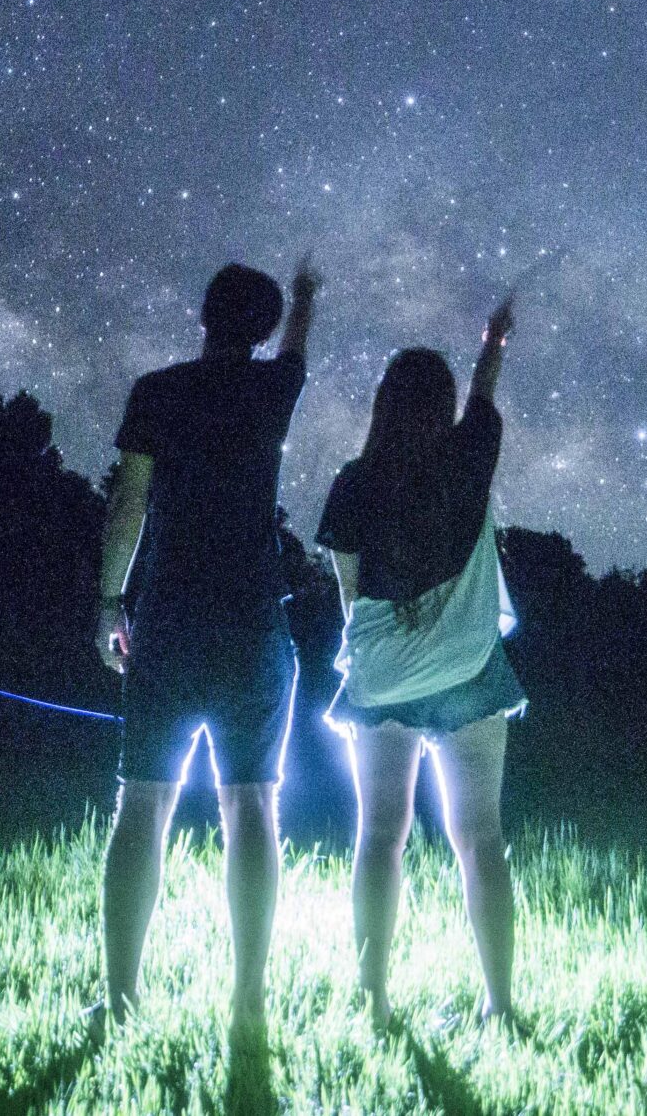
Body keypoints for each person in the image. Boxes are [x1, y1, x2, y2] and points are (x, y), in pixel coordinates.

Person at [93, 257, 320, 1037]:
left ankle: (120, 995)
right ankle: (248, 995)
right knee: (253, 806)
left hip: (168, 620)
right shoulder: (271, 391)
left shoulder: (158, 392)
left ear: (202, 315)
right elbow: (296, 351)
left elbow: (128, 501)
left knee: (142, 804)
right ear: (259, 327)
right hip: (254, 624)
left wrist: (107, 601)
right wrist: (307, 297)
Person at [318, 293, 525, 1028]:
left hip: (383, 683)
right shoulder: (471, 456)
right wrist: (493, 339)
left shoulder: (351, 483)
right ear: (441, 409)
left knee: (380, 836)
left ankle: (374, 1003)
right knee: (482, 839)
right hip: (469, 674)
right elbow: (484, 395)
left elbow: (349, 596)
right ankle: (499, 1004)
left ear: (381, 405)